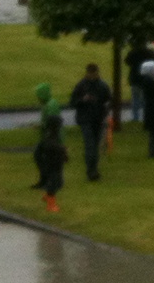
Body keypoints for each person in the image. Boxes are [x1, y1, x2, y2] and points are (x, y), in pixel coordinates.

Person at [68, 62, 113, 181]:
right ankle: (91, 170)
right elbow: (72, 102)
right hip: (85, 120)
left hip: (98, 119)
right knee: (90, 145)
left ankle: (94, 168)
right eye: (90, 73)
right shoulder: (81, 86)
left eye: (94, 73)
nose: (92, 76)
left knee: (95, 145)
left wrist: (106, 112)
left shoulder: (102, 86)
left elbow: (108, 100)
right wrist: (83, 100)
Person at [32, 84, 67, 212]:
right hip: (52, 152)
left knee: (56, 178)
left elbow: (51, 122)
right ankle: (50, 201)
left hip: (50, 146)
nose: (38, 98)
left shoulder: (51, 105)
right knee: (56, 179)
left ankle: (47, 190)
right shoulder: (52, 138)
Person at [125, 40, 150, 124]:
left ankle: (135, 117)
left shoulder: (133, 52)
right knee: (145, 99)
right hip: (145, 79)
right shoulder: (148, 53)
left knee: (135, 98)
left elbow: (127, 61)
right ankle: (146, 117)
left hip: (135, 78)